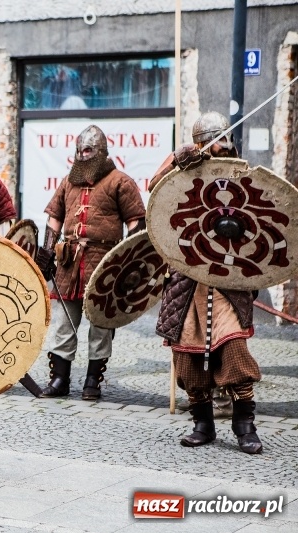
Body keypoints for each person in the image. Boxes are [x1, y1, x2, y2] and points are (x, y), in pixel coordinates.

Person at [150, 111, 262, 454]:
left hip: (229, 277)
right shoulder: (182, 164)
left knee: (234, 351)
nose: (216, 147)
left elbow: (262, 214)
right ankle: (203, 424)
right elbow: (156, 195)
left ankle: (245, 426)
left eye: (220, 140)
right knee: (187, 359)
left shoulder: (241, 172)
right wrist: (183, 160)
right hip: (188, 279)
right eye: (208, 142)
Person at [34, 125, 145, 401]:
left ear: (101, 152)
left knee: (101, 324)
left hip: (103, 264)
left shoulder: (120, 182)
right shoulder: (68, 182)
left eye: (88, 150)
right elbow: (53, 219)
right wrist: (47, 253)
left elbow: (136, 224)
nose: (82, 156)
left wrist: (129, 264)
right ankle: (59, 380)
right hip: (69, 263)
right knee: (63, 323)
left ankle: (92, 382)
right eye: (79, 150)